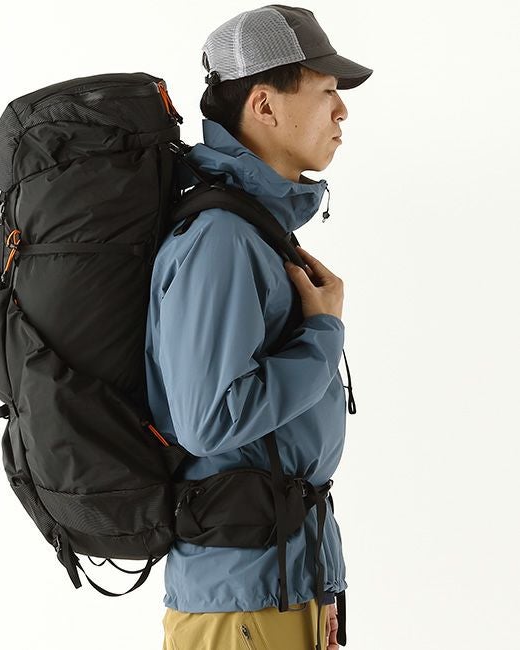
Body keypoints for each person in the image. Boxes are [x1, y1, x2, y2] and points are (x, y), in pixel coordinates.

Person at [144, 5, 372, 649]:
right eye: (326, 92)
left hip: (281, 585)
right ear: (265, 106)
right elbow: (209, 420)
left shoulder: (255, 232)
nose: (342, 111)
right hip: (242, 604)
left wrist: (321, 581)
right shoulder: (221, 239)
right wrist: (323, 334)